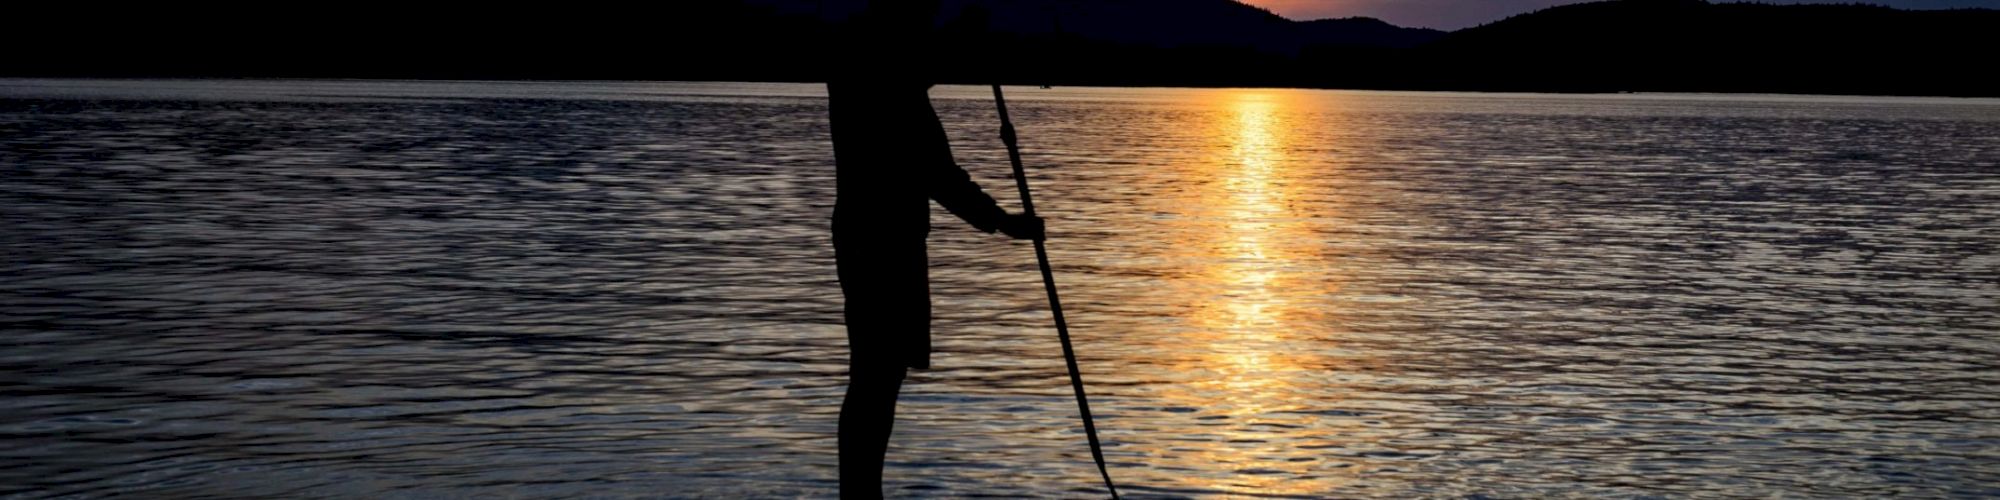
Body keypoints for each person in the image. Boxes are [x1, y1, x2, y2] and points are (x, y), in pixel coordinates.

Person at [825, 1, 1043, 497]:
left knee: (878, 374)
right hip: (881, 244)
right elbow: (937, 173)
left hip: (874, 239)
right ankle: (860, 493)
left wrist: (962, 32)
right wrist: (1002, 222)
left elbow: (920, 69)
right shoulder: (883, 80)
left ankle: (860, 491)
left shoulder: (870, 68)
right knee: (876, 376)